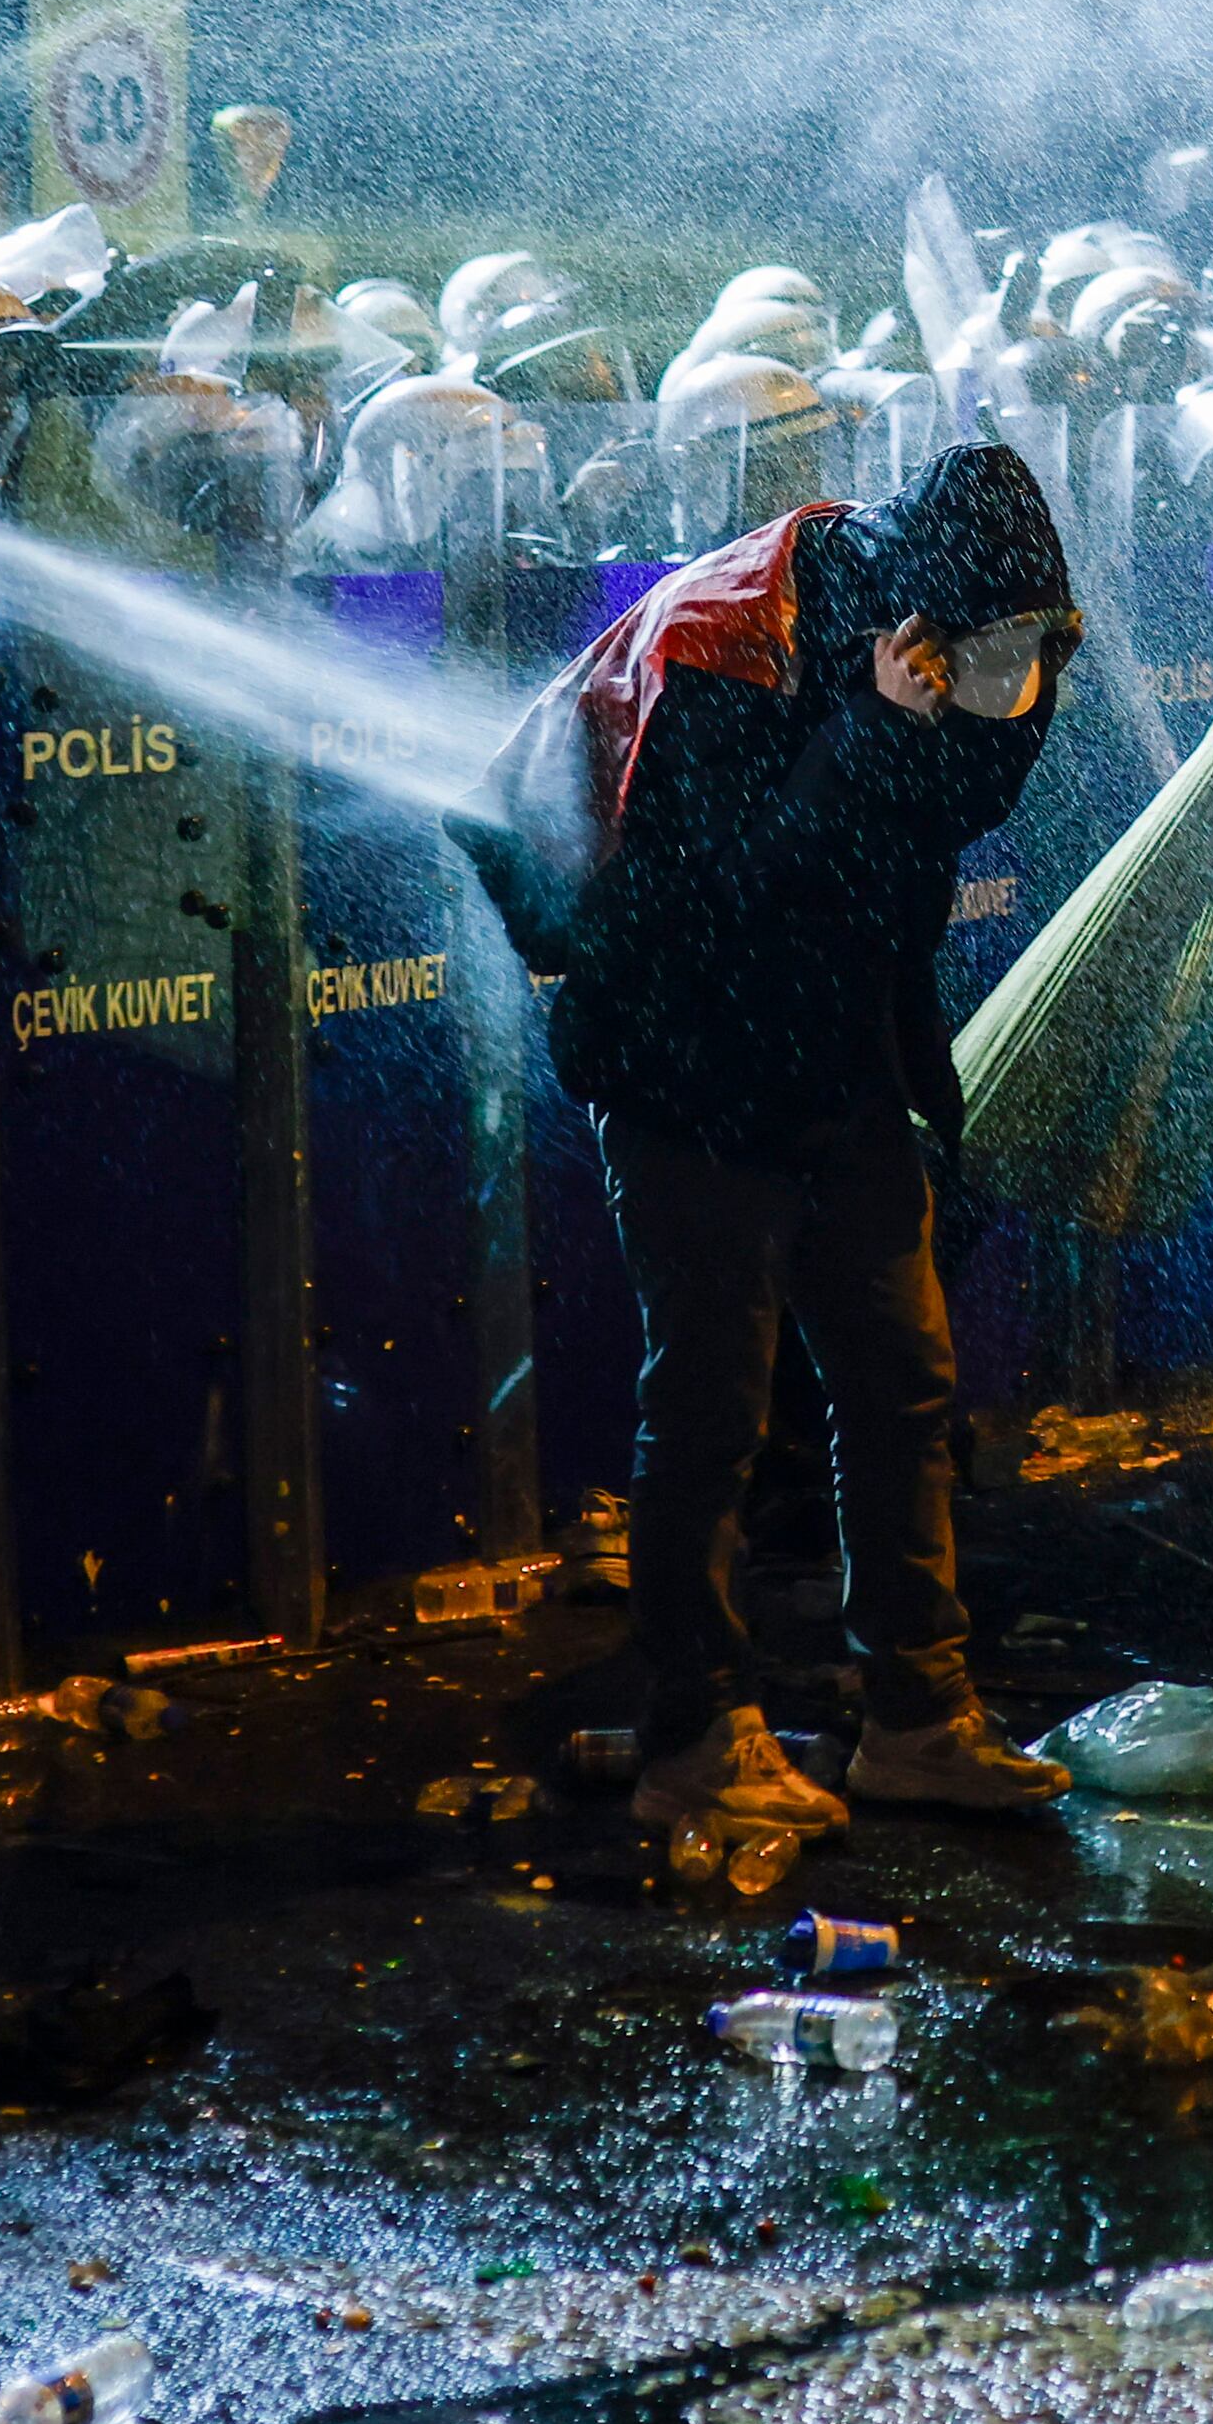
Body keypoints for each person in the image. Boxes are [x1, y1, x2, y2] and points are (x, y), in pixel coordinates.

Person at [461, 444, 1089, 1834]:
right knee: (708, 1413)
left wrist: (958, 721)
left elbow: (948, 809)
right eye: (983, 651)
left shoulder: (956, 639)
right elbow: (720, 899)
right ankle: (696, 1732)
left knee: (900, 1381)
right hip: (685, 1062)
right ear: (913, 626)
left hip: (834, 1059)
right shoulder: (727, 649)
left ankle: (918, 1716)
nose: (1008, 677)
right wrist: (865, 733)